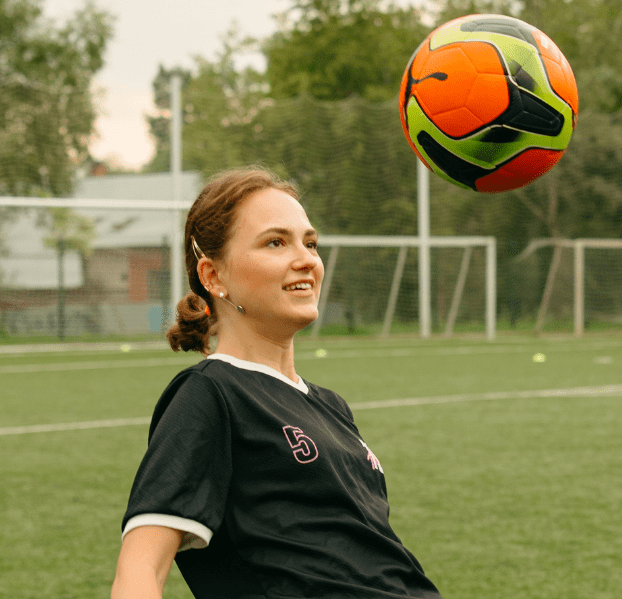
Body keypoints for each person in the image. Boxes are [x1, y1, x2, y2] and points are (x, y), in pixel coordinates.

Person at [111, 167, 443, 599]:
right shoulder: (211, 394)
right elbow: (139, 570)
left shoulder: (331, 406)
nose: (307, 259)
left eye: (310, 243)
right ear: (214, 277)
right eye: (275, 242)